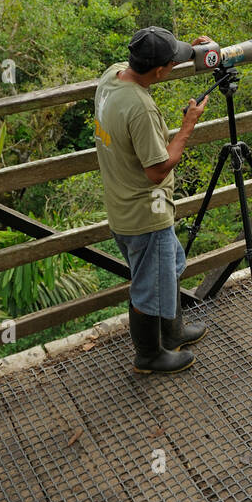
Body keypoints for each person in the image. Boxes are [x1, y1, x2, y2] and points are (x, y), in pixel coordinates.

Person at [94, 26, 210, 374]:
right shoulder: (139, 109)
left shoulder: (112, 76)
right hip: (145, 212)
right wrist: (189, 125)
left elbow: (156, 58)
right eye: (171, 63)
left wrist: (191, 50)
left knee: (169, 266)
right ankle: (149, 355)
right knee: (148, 287)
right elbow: (157, 171)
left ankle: (172, 332)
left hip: (122, 203)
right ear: (159, 71)